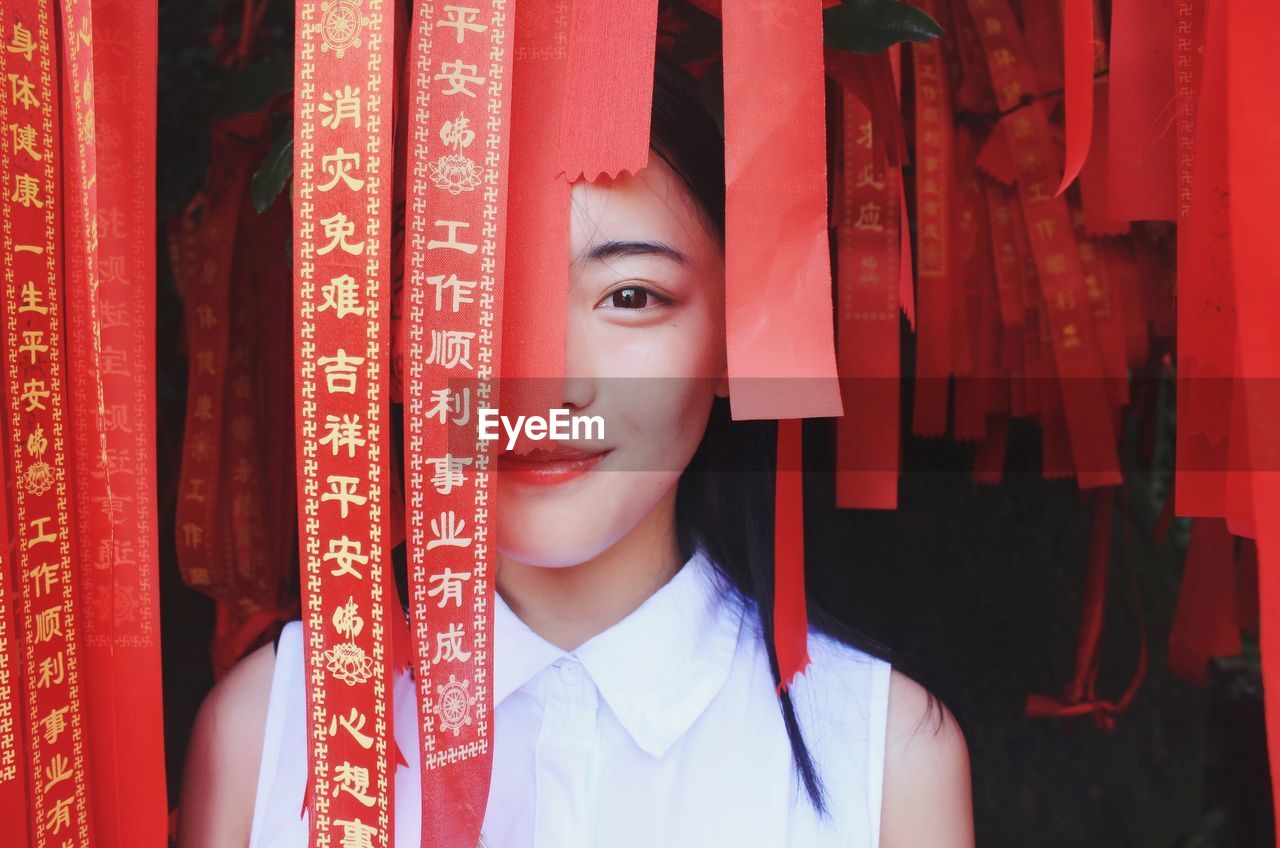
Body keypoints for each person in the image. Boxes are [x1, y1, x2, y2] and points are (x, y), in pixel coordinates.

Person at [178, 57, 974, 847]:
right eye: (477, 294)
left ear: (742, 341)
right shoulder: (266, 728)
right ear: (389, 340)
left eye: (630, 297)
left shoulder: (888, 759)